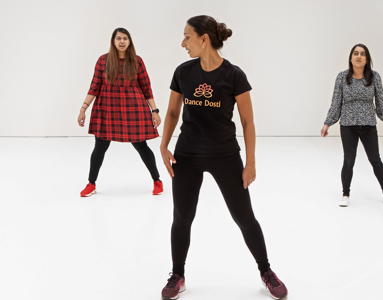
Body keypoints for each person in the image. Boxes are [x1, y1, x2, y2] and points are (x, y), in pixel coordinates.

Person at [159, 16, 288, 300]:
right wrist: (164, 146)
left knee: (244, 217)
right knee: (181, 217)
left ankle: (266, 270)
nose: (183, 43)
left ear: (204, 39)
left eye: (187, 37)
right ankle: (177, 274)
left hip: (225, 155)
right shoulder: (183, 72)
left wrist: (251, 162)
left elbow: (247, 122)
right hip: (187, 155)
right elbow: (171, 113)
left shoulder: (234, 75)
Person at [77, 28, 163, 197]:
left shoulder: (137, 61)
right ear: (113, 41)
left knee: (142, 146)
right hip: (107, 110)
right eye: (118, 38)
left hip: (133, 109)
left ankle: (157, 181)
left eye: (125, 38)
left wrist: (155, 111)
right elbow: (94, 87)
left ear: (129, 41)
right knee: (99, 148)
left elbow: (146, 88)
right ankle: (91, 183)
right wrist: (83, 109)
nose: (122, 41)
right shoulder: (103, 61)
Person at [321, 44, 383, 208]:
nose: (359, 56)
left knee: (375, 160)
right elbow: (336, 102)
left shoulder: (374, 77)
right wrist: (327, 123)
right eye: (355, 53)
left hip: (368, 125)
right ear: (350, 58)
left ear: (367, 59)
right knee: (348, 161)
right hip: (348, 125)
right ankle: (345, 195)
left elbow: (381, 102)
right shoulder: (342, 77)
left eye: (362, 54)